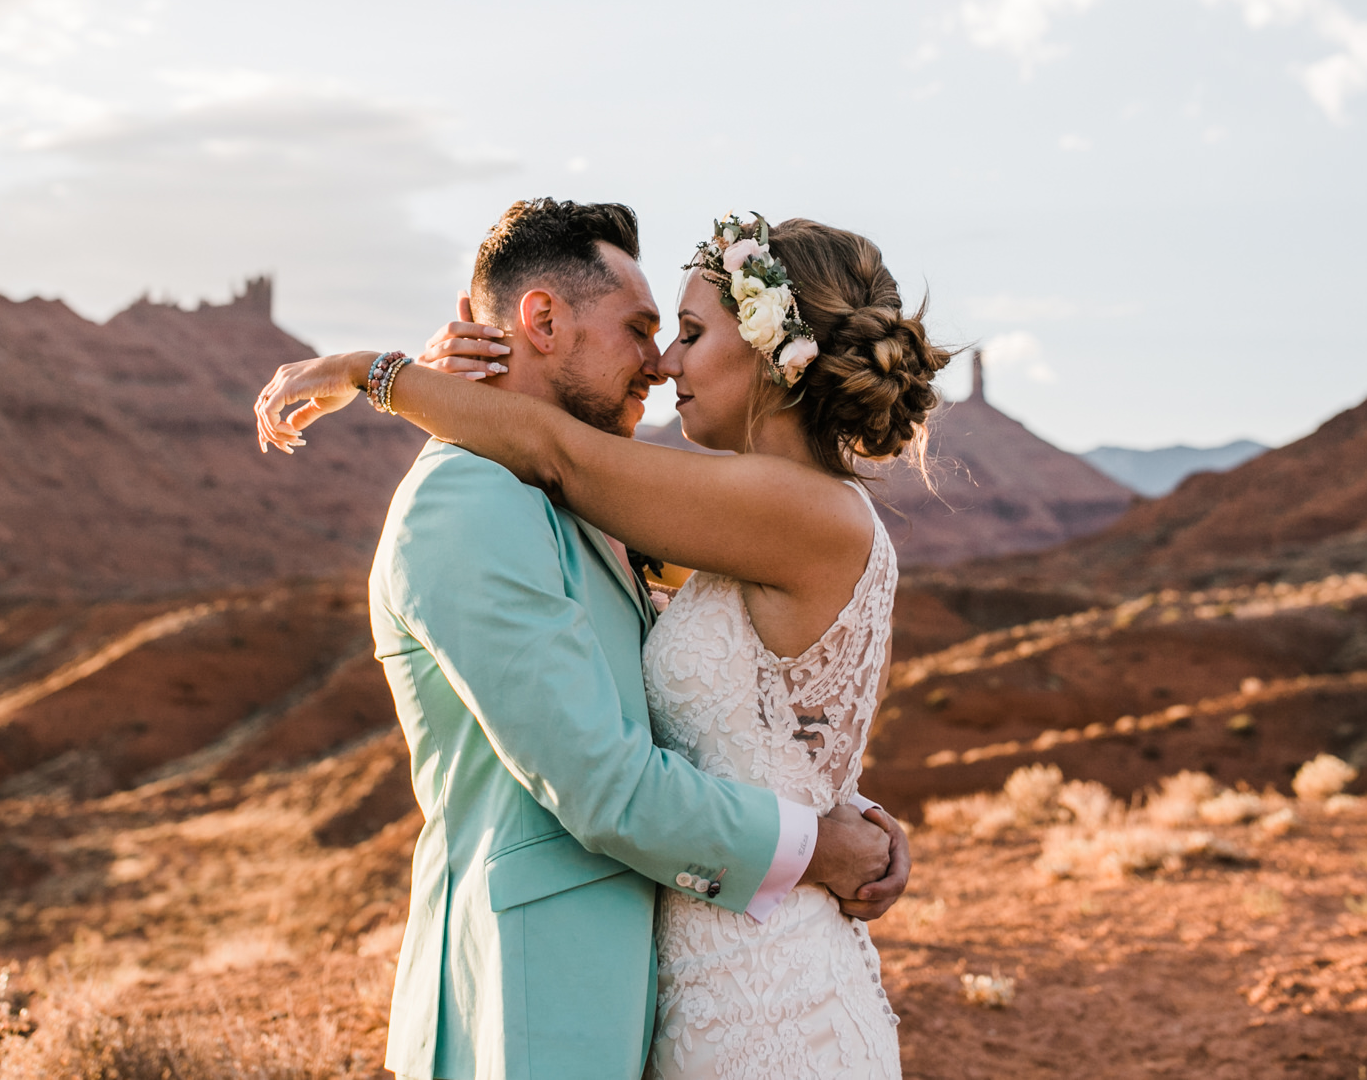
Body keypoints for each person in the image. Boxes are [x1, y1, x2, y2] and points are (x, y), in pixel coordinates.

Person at [255, 200, 949, 1080]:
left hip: (755, 991)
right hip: (552, 991)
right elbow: (639, 762)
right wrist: (823, 833)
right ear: (542, 320)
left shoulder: (770, 508)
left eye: (685, 333)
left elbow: (561, 458)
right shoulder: (478, 498)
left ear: (776, 356)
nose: (661, 365)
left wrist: (372, 371)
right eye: (648, 330)